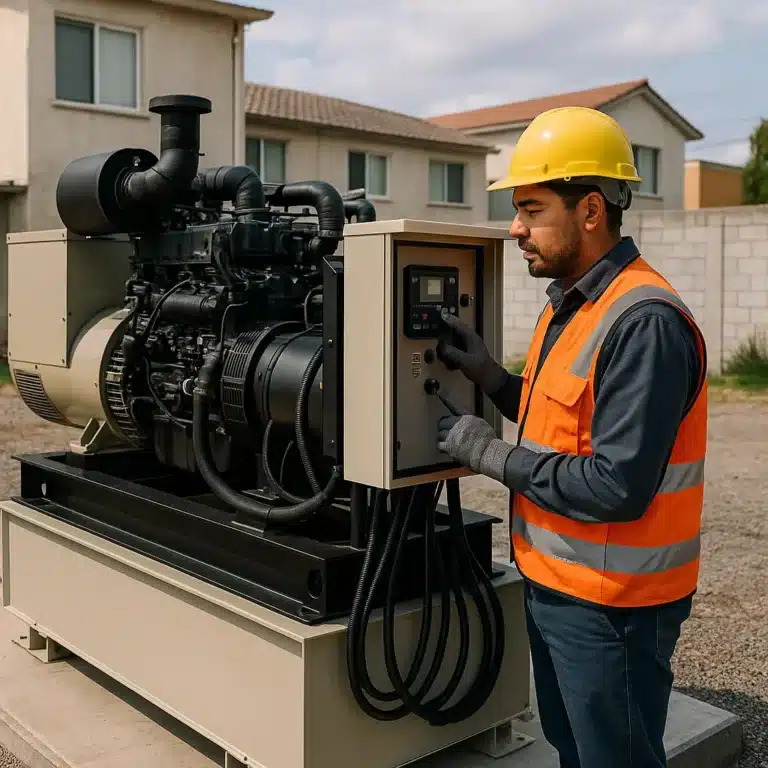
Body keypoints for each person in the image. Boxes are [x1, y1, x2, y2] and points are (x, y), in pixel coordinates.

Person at [435, 106, 708, 768]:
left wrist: (485, 453)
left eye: (532, 209)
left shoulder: (642, 321)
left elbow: (616, 485)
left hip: (613, 609)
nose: (515, 228)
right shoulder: (575, 305)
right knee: (573, 751)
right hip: (561, 590)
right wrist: (492, 377)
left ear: (590, 211)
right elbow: (560, 422)